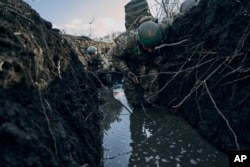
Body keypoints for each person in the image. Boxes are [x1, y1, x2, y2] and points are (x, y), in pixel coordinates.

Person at [108, 20, 170, 108]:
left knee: (153, 84)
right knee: (133, 100)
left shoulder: (162, 30)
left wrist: (159, 59)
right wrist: (128, 72)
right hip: (131, 66)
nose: (150, 50)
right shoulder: (126, 42)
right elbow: (114, 57)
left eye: (153, 47)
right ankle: (136, 109)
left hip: (149, 64)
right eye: (147, 47)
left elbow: (173, 21)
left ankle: (149, 106)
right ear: (139, 41)